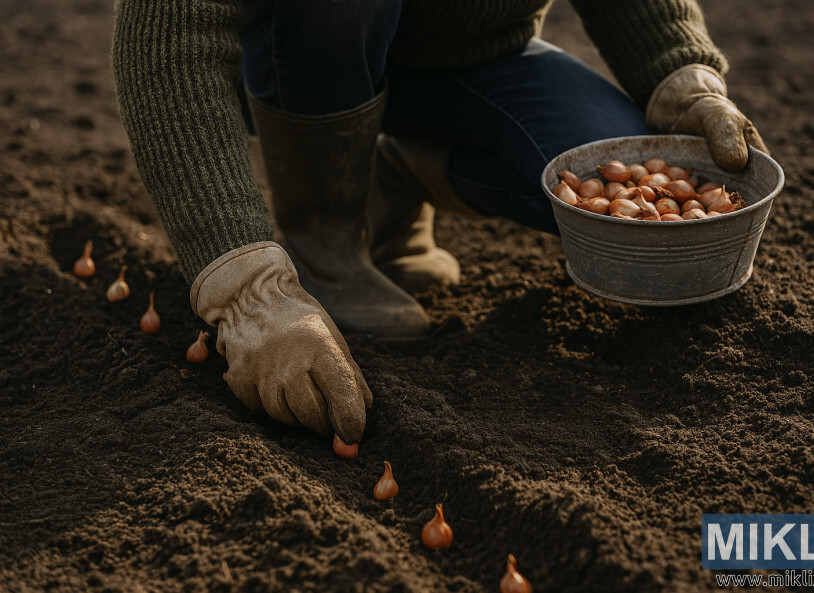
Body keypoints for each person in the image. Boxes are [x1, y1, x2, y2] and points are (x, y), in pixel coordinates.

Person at [111, 0, 768, 445]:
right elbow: (164, 33)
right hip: (308, 50)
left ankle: (402, 167)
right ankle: (324, 236)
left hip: (473, 63)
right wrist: (247, 291)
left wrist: (683, 73)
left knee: (612, 170)